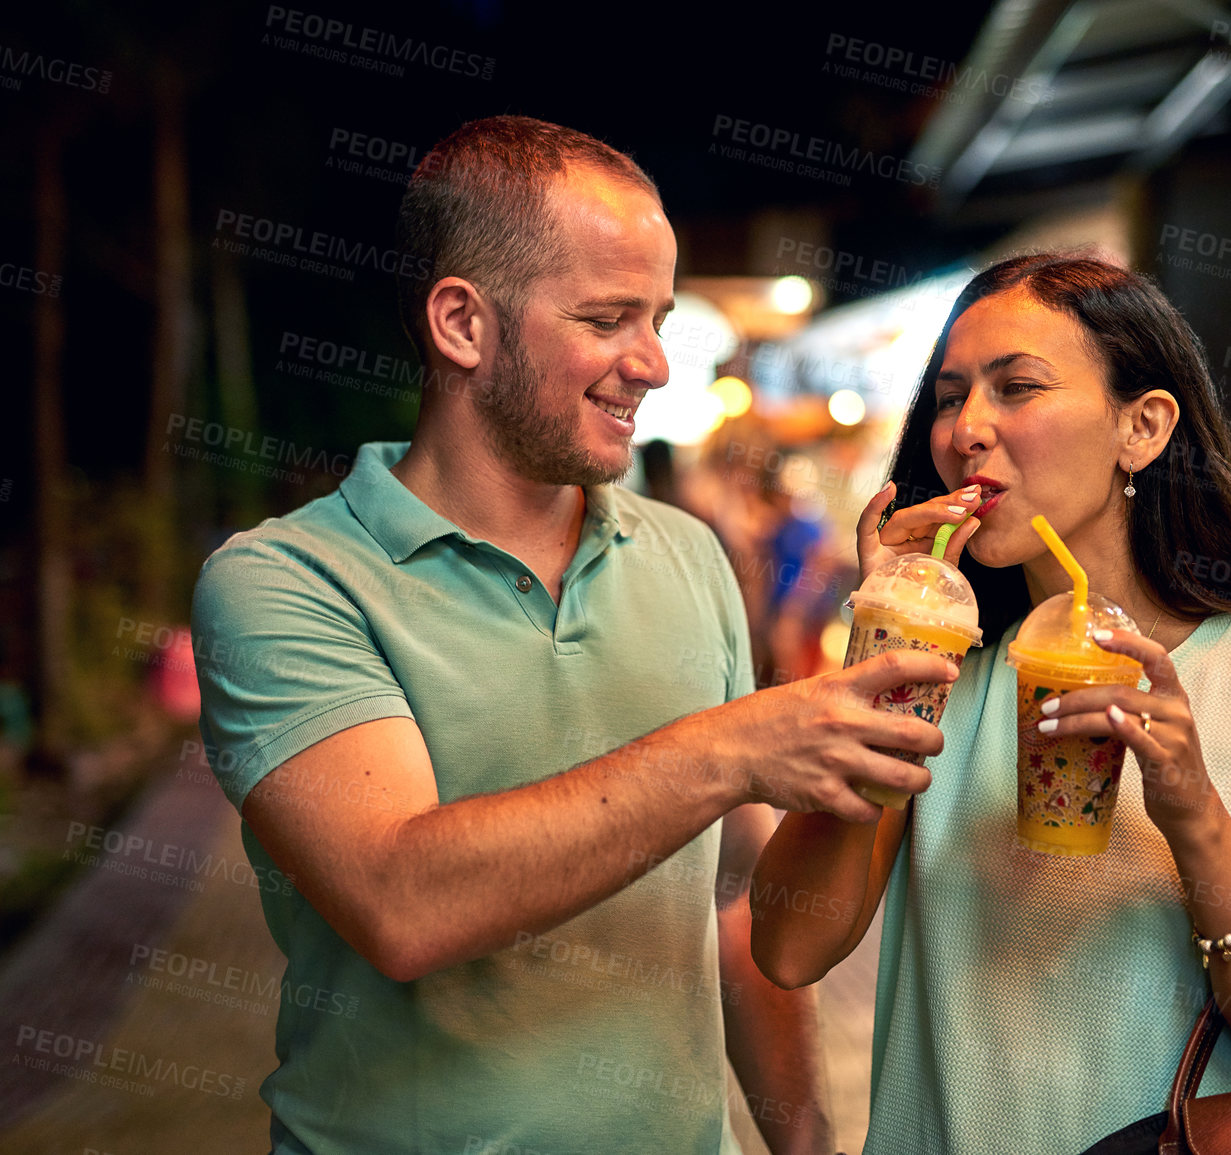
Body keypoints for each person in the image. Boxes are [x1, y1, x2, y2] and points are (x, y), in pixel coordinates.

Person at [190, 115, 960, 1155]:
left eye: (661, 318)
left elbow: (734, 901)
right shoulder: (284, 584)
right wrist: (735, 749)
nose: (651, 363)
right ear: (462, 325)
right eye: (608, 319)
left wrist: (803, 1143)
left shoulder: (688, 555)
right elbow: (399, 903)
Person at [748, 252, 1231, 1152]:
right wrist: (890, 653)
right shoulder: (948, 677)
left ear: (1142, 426)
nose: (966, 428)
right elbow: (788, 948)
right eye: (949, 396)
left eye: (1016, 387)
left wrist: (1195, 819)